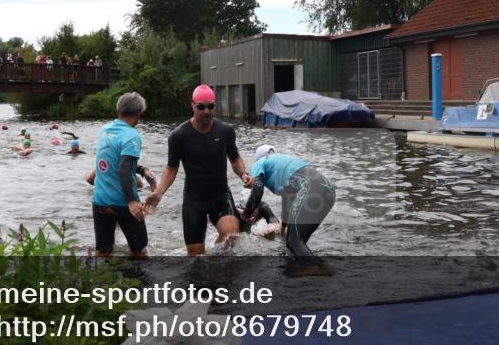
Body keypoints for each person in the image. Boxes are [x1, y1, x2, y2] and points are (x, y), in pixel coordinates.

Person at [144, 84, 252, 256]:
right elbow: (171, 168)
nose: (207, 111)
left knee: (231, 236)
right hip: (194, 201)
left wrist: (243, 174)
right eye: (201, 107)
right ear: (192, 105)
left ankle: (217, 261)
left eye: (211, 106)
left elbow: (235, 158)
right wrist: (158, 193)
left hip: (220, 196)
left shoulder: (225, 131)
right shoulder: (179, 136)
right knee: (196, 258)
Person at [91, 92, 157, 258]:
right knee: (140, 250)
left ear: (117, 110)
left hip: (99, 202)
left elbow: (115, 161)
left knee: (103, 251)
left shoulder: (105, 130)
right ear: (140, 112)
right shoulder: (131, 136)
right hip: (123, 203)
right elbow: (123, 168)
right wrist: (133, 202)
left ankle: (103, 283)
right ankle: (139, 284)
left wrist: (141, 170)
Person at [245, 144, 336, 258]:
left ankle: (314, 272)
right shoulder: (285, 164)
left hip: (311, 188)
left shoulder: (260, 162)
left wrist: (246, 215)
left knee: (294, 242)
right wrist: (283, 226)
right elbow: (288, 199)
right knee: (295, 242)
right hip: (328, 191)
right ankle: (305, 270)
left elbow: (256, 193)